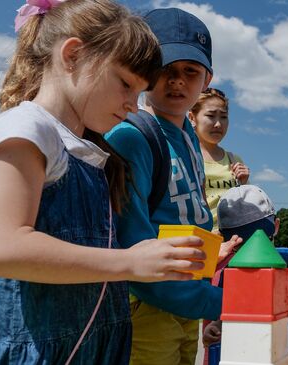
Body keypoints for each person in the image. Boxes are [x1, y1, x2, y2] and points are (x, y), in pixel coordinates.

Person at [0, 1, 206, 364]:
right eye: (125, 84)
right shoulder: (26, 129)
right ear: (72, 55)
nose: (134, 104)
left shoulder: (88, 150)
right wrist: (129, 262)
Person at [105, 8, 229, 364]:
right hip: (147, 304)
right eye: (164, 69)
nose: (177, 81)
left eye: (190, 71)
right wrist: (220, 302)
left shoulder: (190, 136)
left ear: (206, 79)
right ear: (142, 72)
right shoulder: (131, 137)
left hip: (186, 299)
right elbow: (134, 245)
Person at [201, 185, 280, 352]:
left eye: (260, 240)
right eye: (241, 246)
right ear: (225, 240)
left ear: (276, 227)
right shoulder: (226, 272)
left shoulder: (284, 268)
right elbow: (224, 313)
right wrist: (215, 327)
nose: (252, 254)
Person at [188, 88, 250, 231]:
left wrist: (245, 185)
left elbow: (244, 207)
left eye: (223, 117)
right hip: (199, 239)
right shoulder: (185, 156)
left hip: (232, 240)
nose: (218, 124)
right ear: (192, 118)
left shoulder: (234, 159)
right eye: (211, 116)